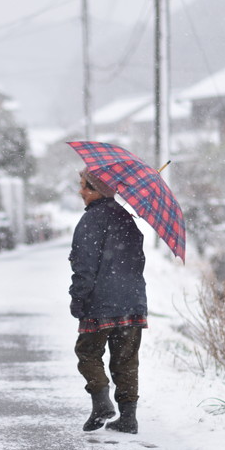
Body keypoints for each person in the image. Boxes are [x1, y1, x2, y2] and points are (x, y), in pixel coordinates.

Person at [69, 170, 147, 434]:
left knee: (88, 353)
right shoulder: (127, 219)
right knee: (126, 360)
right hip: (132, 302)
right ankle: (128, 418)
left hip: (100, 303)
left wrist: (78, 298)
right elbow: (138, 261)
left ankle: (102, 403)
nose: (81, 192)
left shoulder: (91, 220)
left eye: (84, 187)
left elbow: (84, 266)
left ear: (98, 191)